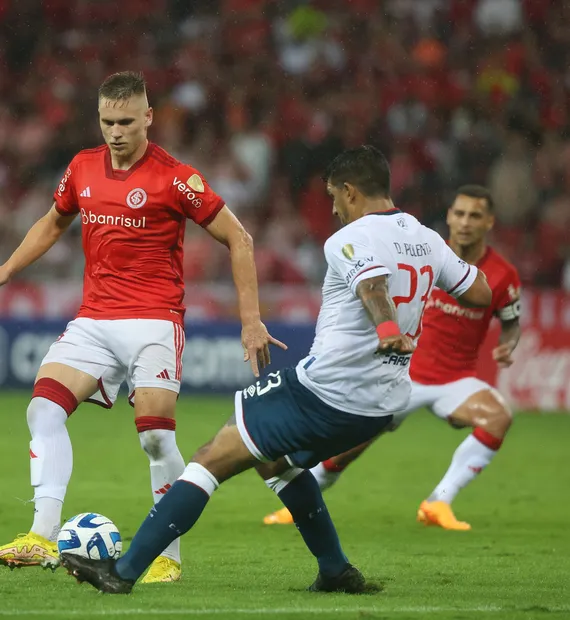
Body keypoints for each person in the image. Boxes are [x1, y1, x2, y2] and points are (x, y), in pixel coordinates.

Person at [59, 146, 491, 594]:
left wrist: (385, 325)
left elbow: (372, 283)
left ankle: (123, 572)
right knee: (273, 464)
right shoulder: (426, 238)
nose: (333, 207)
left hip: (327, 393)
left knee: (210, 459)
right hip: (383, 403)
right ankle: (335, 570)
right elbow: (478, 291)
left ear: (350, 191)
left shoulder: (350, 239)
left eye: (333, 197)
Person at [0, 71, 284, 583]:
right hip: (94, 319)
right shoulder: (82, 167)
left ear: (148, 117)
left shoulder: (176, 178)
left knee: (154, 439)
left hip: (155, 320)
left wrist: (250, 321)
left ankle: (167, 557)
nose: (115, 131)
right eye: (107, 121)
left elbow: (238, 238)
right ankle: (41, 536)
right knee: (42, 408)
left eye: (126, 121)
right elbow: (52, 222)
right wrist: (5, 271)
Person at [263, 185, 521, 531]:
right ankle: (299, 504)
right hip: (404, 372)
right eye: (459, 214)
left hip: (455, 379)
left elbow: (510, 321)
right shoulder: (427, 254)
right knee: (352, 443)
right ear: (448, 217)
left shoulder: (502, 275)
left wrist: (508, 343)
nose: (464, 222)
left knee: (499, 418)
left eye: (475, 215)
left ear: (489, 222)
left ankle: (439, 501)